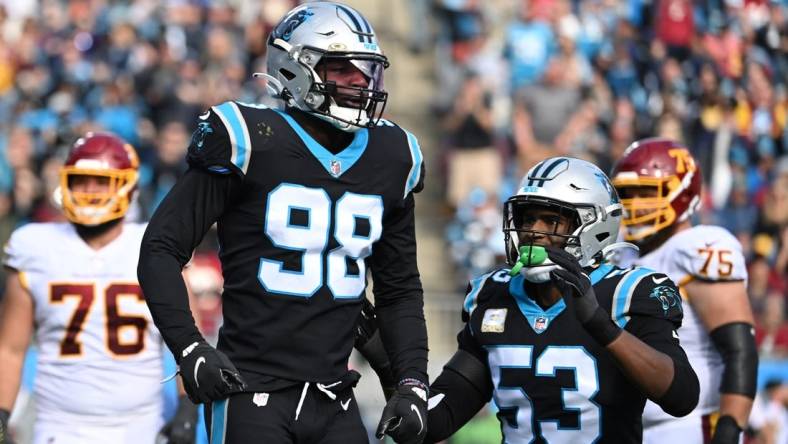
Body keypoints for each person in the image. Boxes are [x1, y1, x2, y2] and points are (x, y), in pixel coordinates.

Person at [137, 2, 429, 443]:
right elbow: (160, 247)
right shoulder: (249, 138)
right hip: (251, 390)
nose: (359, 82)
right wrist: (190, 347)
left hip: (335, 397)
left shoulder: (393, 155)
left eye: (365, 70)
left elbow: (400, 287)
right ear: (295, 69)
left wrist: (410, 382)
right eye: (341, 69)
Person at [357, 156, 700, 443]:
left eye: (552, 220)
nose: (533, 230)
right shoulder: (494, 295)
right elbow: (433, 423)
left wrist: (599, 324)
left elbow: (681, 395)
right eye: (526, 218)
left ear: (595, 225)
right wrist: (388, 363)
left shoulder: (630, 291)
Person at [0, 132, 198, 444]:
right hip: (59, 427)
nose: (90, 191)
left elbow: (189, 341)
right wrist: (2, 414)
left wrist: (188, 407)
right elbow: (10, 348)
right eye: (81, 180)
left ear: (127, 187)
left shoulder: (153, 246)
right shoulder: (34, 246)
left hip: (142, 426)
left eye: (100, 181)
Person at [610, 138, 758, 444]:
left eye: (648, 191)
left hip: (691, 425)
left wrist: (728, 429)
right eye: (627, 193)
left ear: (683, 191)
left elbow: (739, 348)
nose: (635, 203)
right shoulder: (622, 257)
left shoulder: (697, 247)